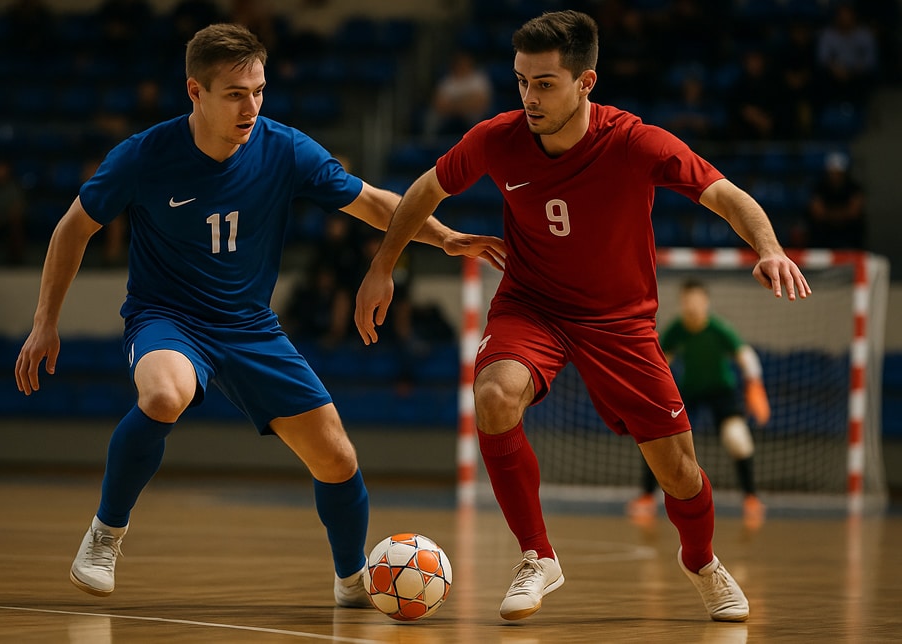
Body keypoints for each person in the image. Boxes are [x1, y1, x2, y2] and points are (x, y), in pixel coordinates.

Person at [13, 23, 503, 605]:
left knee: (338, 457)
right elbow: (73, 229)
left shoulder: (284, 148)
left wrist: (443, 237)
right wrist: (46, 321)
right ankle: (104, 535)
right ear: (194, 92)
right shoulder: (145, 155)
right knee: (164, 395)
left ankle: (352, 580)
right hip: (166, 317)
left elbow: (372, 201)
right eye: (235, 94)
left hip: (249, 327)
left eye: (259, 91)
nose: (251, 106)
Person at [354, 10, 810, 623]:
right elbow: (424, 191)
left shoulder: (634, 142)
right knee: (492, 396)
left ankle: (701, 561)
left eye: (545, 83)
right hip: (532, 305)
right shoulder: (497, 137)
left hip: (620, 322)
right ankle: (537, 556)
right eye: (521, 81)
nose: (529, 97)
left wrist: (770, 248)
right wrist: (385, 264)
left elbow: (727, 195)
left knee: (679, 472)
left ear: (586, 82)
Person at [628, 279, 770, 531]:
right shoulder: (676, 330)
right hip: (689, 393)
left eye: (696, 300)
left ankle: (751, 498)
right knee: (659, 440)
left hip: (721, 393)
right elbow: (660, 362)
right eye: (686, 301)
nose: (692, 306)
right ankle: (647, 497)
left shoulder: (719, 329)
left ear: (706, 302)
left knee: (738, 439)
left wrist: (755, 387)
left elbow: (745, 356)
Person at [423, 51, 493, 142]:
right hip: (448, 115)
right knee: (431, 117)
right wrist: (465, 102)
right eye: (459, 63)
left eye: (464, 63)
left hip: (471, 115)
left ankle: (476, 143)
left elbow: (480, 103)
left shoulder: (478, 79)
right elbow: (439, 105)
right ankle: (429, 144)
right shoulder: (447, 81)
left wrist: (455, 104)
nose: (461, 66)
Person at [804, 151, 865, 249]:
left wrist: (830, 215)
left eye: (838, 172)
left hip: (848, 232)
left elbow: (854, 212)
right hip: (824, 232)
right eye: (832, 172)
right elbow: (817, 213)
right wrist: (842, 214)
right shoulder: (819, 187)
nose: (835, 175)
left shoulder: (853, 187)